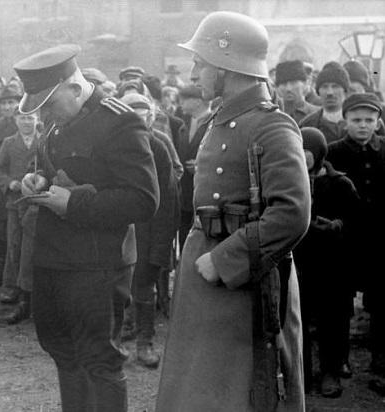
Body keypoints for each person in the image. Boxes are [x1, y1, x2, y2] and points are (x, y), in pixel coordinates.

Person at [156, 11, 309, 412]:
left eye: (200, 63)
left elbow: (291, 214)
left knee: (244, 394)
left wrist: (225, 260)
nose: (192, 74)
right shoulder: (220, 120)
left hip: (245, 285)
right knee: (200, 389)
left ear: (227, 66)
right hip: (207, 278)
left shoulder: (272, 128)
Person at [14, 44, 159, 411]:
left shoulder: (120, 122)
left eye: (49, 104)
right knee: (62, 350)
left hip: (98, 265)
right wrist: (38, 179)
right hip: (54, 260)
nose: (45, 115)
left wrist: (73, 203)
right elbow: (58, 168)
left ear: (75, 88)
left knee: (99, 359)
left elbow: (143, 199)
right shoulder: (60, 119)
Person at [293, 127, 359, 397]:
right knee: (301, 320)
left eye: (309, 152)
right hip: (300, 265)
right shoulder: (291, 181)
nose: (304, 157)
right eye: (300, 151)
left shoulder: (340, 184)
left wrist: (337, 226)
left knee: (332, 321)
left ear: (320, 153)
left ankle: (330, 372)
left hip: (333, 267)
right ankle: (303, 373)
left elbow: (357, 222)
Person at [326, 93, 385, 397]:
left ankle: (380, 364)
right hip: (343, 242)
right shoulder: (332, 153)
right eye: (356, 120)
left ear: (378, 122)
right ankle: (336, 365)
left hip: (379, 243)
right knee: (338, 305)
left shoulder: (384, 151)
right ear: (345, 121)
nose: (363, 126)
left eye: (369, 121)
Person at [119, 92, 179, 368]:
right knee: (114, 289)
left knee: (145, 289)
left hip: (148, 232)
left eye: (143, 115)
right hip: (118, 229)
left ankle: (145, 342)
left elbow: (169, 203)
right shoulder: (112, 145)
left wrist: (161, 247)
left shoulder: (159, 148)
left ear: (152, 117)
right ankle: (115, 342)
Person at [0, 109, 42, 324]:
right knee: (14, 245)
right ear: (15, 121)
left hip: (38, 203)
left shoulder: (44, 141)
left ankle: (31, 290)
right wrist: (10, 183)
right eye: (22, 118)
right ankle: (11, 287)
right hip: (14, 203)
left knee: (33, 248)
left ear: (37, 120)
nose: (27, 122)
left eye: (30, 118)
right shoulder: (9, 143)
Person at [0, 85, 24, 294]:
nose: (8, 106)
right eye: (4, 103)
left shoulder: (26, 122)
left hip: (19, 181)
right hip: (1, 183)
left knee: (17, 229)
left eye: (11, 102)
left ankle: (16, 275)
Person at [174, 84, 211, 251]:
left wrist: (200, 165)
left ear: (197, 101)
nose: (180, 104)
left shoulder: (213, 123)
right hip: (185, 192)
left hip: (203, 192)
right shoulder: (185, 124)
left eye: (184, 100)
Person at [299, 62, 351, 144]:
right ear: (318, 91)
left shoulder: (359, 122)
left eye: (335, 86)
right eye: (324, 87)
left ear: (345, 91)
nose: (330, 92)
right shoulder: (308, 124)